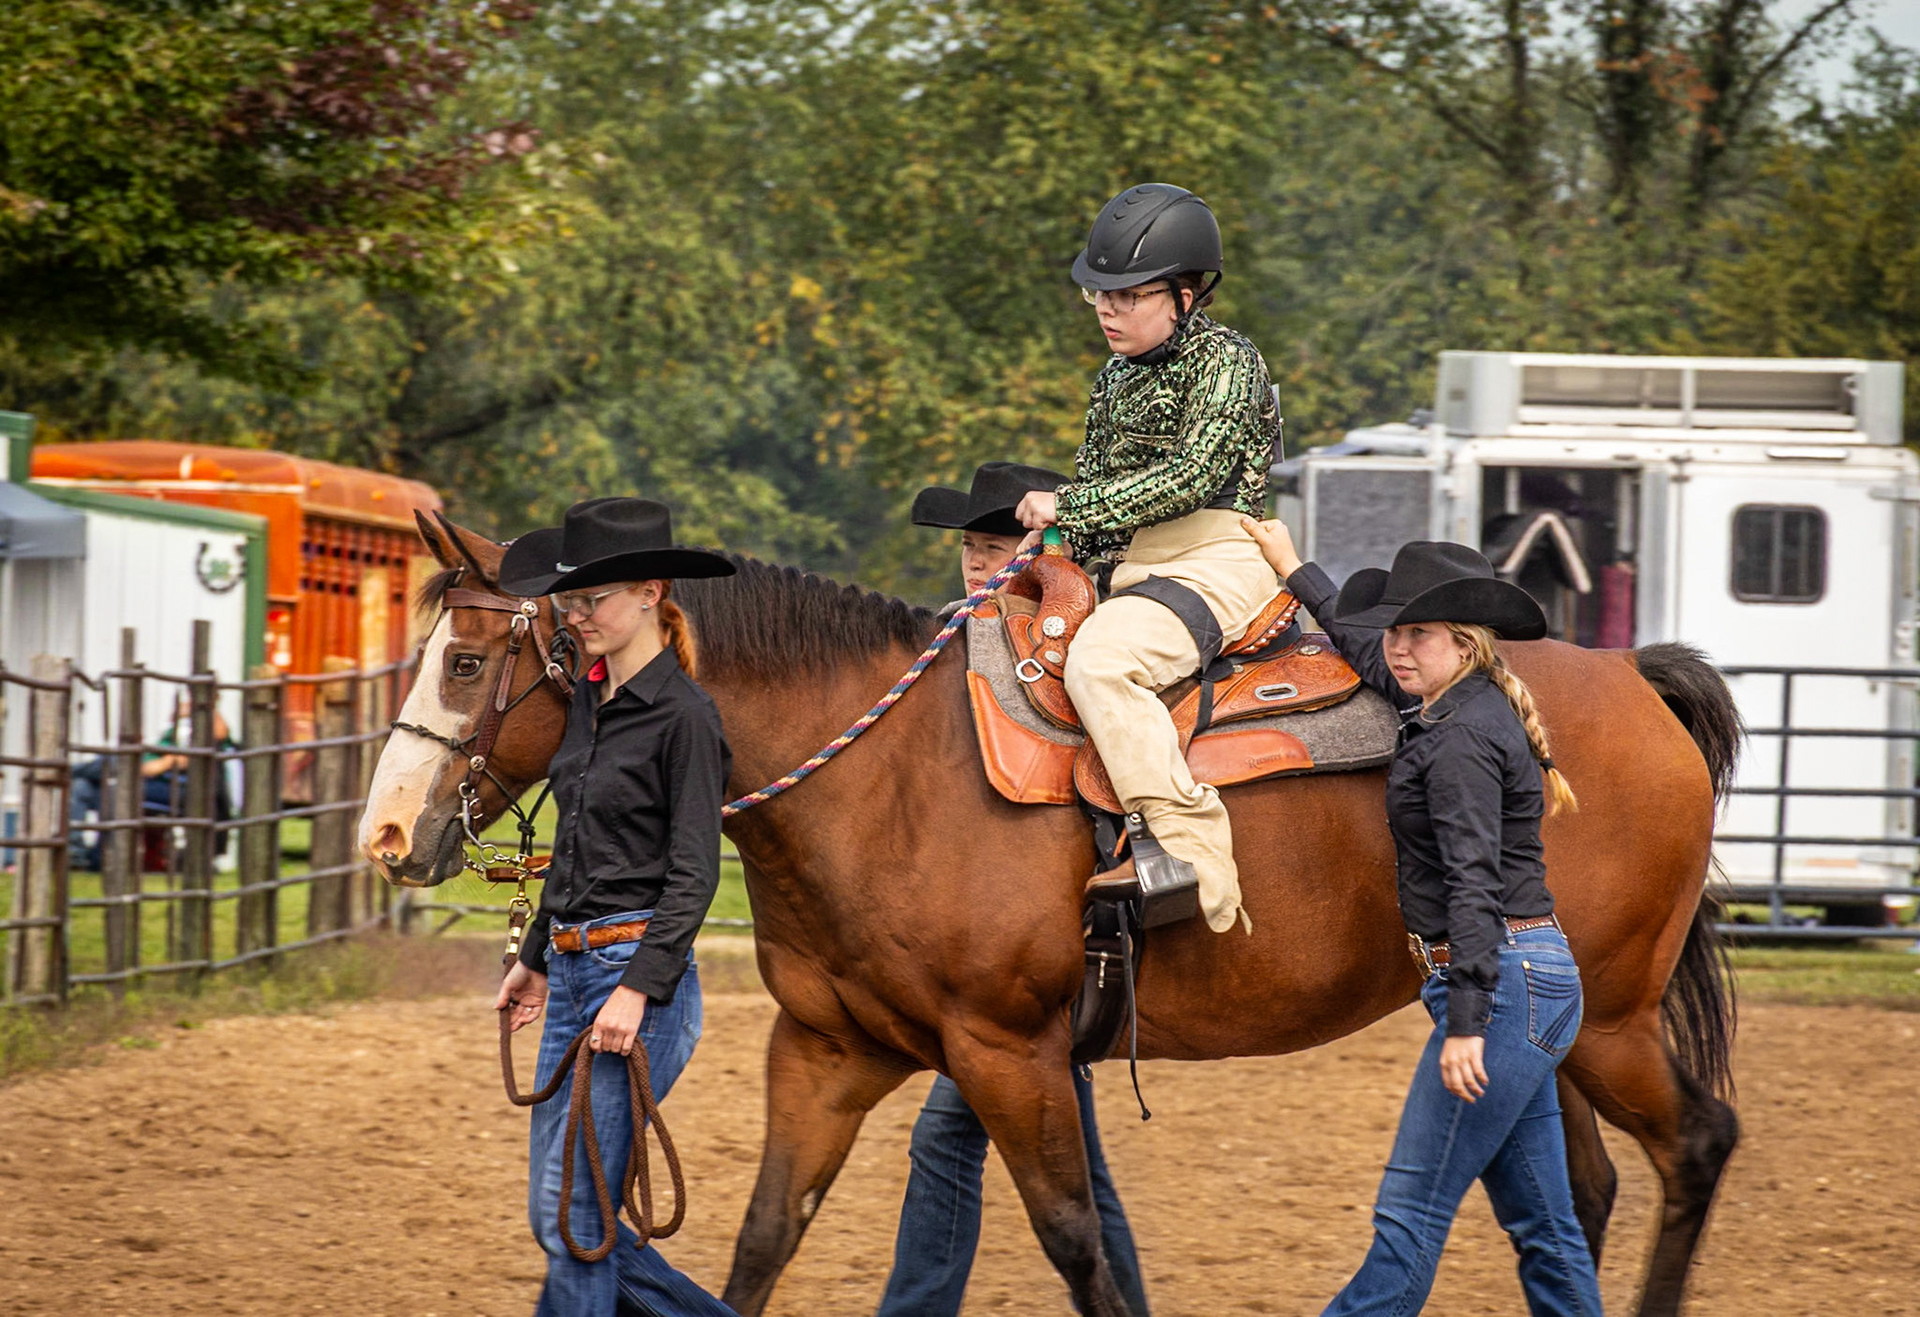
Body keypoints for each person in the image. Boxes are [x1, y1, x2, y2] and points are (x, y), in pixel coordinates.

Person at [1242, 519, 1603, 1317]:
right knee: (1545, 1225)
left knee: (1408, 1221)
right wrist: (1293, 566)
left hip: (1498, 989)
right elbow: (1362, 649)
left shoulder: (1461, 739)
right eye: (1396, 631)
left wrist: (1469, 1022)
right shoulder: (1456, 702)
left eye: (1420, 634)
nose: (1398, 649)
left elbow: (1475, 884)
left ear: (1465, 644)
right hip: (1524, 982)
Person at [880, 461, 1150, 1317]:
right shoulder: (964, 642)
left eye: (995, 545)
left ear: (1044, 550)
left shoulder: (1074, 654)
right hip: (1026, 956)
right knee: (1070, 1164)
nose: (974, 560)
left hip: (1027, 955)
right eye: (970, 544)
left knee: (951, 1141)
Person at [493, 496, 741, 1317]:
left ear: (650, 593)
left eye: (592, 599)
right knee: (563, 1214)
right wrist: (535, 958)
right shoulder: (587, 704)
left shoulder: (687, 717)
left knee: (575, 1213)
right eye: (569, 599)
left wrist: (636, 988)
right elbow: (574, 847)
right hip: (571, 975)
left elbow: (694, 873)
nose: (576, 615)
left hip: (633, 984)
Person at [1015, 183, 1281, 934]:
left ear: (1186, 296)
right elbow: (1096, 482)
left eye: (1129, 295)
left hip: (1215, 559)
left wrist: (1069, 507)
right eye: (1099, 294)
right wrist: (1055, 548)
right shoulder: (1115, 375)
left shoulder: (1229, 360)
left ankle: (1190, 855)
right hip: (1127, 567)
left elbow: (1193, 477)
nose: (1107, 309)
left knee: (1101, 664)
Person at [69, 693, 236, 871]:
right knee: (82, 786)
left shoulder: (208, 732)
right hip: (147, 778)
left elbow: (219, 736)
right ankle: (76, 855)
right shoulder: (173, 733)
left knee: (117, 769)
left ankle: (64, 770)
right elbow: (153, 761)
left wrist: (206, 705)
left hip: (173, 787)